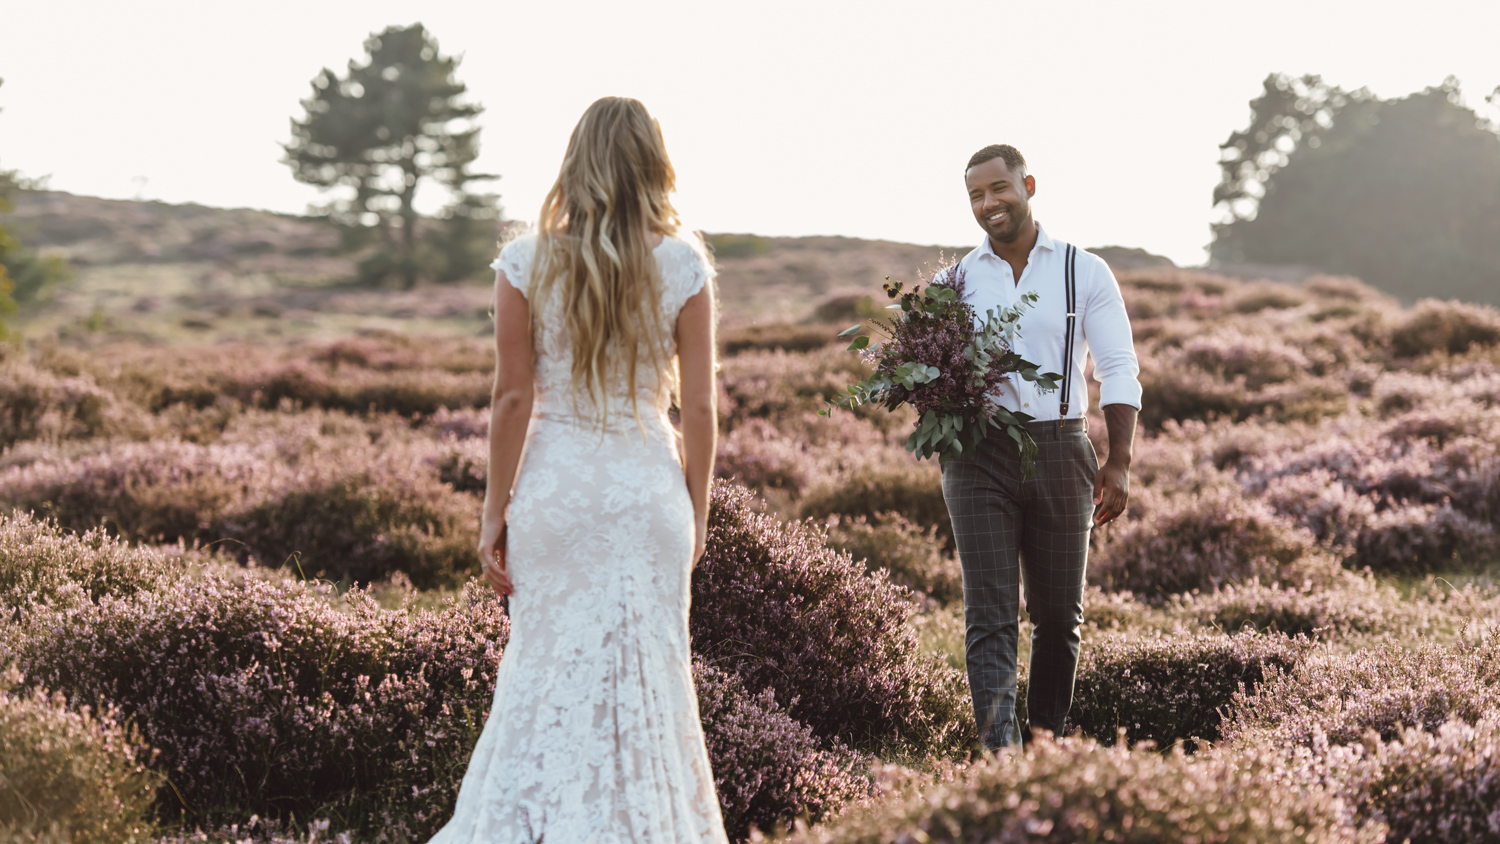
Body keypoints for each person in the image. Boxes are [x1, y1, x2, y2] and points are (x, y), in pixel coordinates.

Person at [428, 97, 728, 843]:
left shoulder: (527, 259)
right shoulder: (683, 262)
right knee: (652, 676)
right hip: (647, 491)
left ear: (576, 159)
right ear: (654, 163)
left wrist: (493, 510)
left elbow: (511, 397)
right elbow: (698, 410)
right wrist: (698, 510)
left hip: (556, 492)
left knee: (543, 670)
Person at [938, 144, 1141, 751]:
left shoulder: (1085, 270)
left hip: (1062, 449)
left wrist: (1121, 460)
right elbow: (933, 372)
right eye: (976, 195)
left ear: (1027, 184)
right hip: (978, 456)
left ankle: (1045, 748)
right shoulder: (958, 281)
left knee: (1058, 620)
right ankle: (1002, 761)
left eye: (999, 189)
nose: (988, 205)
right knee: (990, 616)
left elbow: (1119, 366)